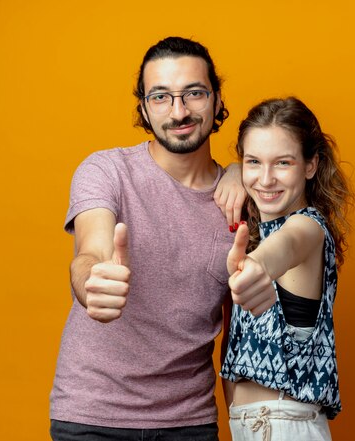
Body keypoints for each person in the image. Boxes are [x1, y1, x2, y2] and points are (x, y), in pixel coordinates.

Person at [50, 36, 245, 441]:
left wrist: (241, 170)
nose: (179, 111)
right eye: (161, 97)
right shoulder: (106, 171)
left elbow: (237, 333)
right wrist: (92, 281)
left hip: (189, 421)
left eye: (193, 93)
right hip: (92, 414)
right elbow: (92, 250)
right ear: (143, 107)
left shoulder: (240, 199)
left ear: (216, 97)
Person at [220, 97, 355, 441]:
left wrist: (258, 266)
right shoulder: (255, 229)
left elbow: (286, 246)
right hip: (253, 424)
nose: (265, 179)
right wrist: (235, 172)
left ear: (310, 166)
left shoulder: (307, 228)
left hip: (284, 425)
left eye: (283, 162)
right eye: (253, 162)